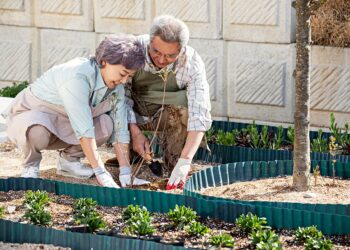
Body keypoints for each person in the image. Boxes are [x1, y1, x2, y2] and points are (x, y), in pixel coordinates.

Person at [2, 34, 149, 188]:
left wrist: (125, 172)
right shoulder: (78, 75)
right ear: (105, 61)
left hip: (66, 122)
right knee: (36, 132)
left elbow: (120, 129)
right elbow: (84, 129)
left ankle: (68, 162)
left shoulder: (116, 86)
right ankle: (30, 166)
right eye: (122, 74)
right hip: (34, 118)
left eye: (129, 76)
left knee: (106, 125)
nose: (124, 81)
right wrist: (100, 172)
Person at [125, 15, 212, 190]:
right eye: (156, 52)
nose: (162, 60)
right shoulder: (131, 51)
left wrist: (185, 161)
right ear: (149, 42)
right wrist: (134, 133)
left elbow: (200, 114)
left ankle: (175, 164)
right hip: (131, 114)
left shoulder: (192, 63)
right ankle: (130, 154)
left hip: (163, 116)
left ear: (182, 50)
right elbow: (119, 100)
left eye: (171, 55)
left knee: (186, 111)